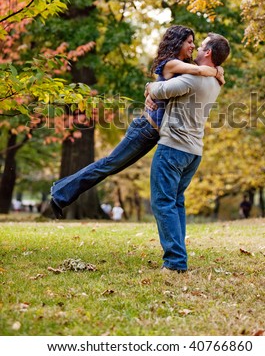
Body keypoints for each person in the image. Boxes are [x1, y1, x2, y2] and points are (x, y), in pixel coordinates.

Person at [50, 26, 225, 219]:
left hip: (154, 134)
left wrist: (149, 88)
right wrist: (216, 71)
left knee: (112, 166)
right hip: (144, 129)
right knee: (109, 164)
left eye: (195, 43)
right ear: (178, 42)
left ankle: (60, 189)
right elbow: (200, 70)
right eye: (189, 42)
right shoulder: (172, 64)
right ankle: (60, 195)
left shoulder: (186, 66)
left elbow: (193, 74)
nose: (193, 46)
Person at [145, 32, 230, 273]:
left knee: (163, 203)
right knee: (176, 203)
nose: (196, 48)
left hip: (173, 148)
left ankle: (174, 262)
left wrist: (149, 86)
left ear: (208, 52)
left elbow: (158, 91)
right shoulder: (215, 80)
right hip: (194, 152)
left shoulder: (192, 80)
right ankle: (178, 257)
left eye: (201, 45)